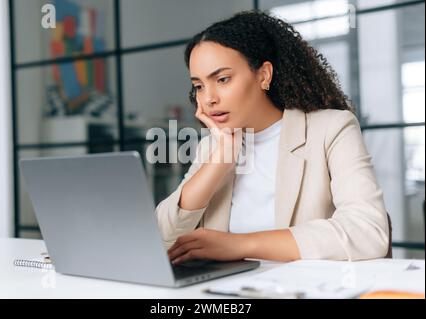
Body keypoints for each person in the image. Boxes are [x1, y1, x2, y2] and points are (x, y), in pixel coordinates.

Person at [156, 11, 389, 265]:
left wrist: (241, 245)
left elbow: (369, 232)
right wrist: (220, 159)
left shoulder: (331, 129)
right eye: (199, 86)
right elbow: (163, 238)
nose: (209, 98)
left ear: (263, 75)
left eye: (222, 79)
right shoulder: (213, 145)